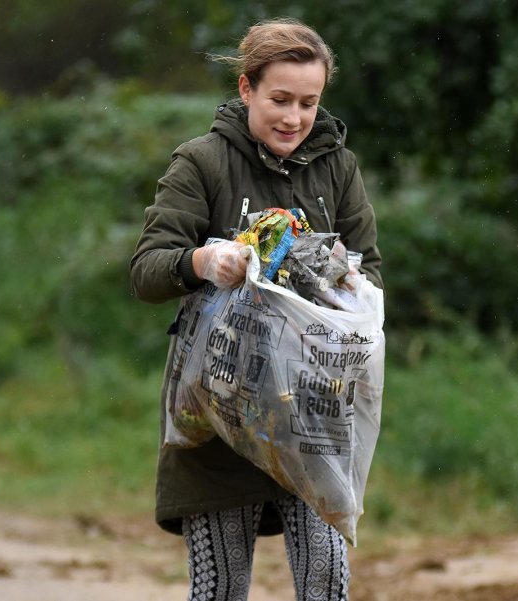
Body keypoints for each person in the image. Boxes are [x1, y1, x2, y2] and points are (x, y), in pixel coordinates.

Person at [130, 17, 382, 601]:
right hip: (216, 413)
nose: (294, 118)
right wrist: (203, 262)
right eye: (279, 99)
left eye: (309, 103)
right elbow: (146, 271)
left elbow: (370, 273)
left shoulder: (338, 169)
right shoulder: (201, 162)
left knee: (326, 584)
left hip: (313, 416)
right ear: (246, 89)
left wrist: (346, 273)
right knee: (219, 590)